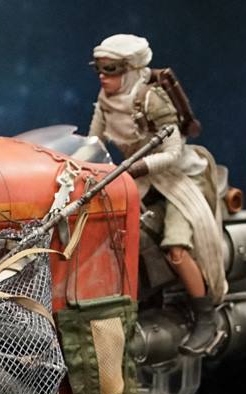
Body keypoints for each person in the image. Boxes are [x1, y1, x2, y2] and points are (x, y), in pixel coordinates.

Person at [87, 34, 227, 355]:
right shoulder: (107, 99)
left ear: (131, 69)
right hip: (138, 179)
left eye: (111, 69)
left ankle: (206, 319)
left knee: (175, 248)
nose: (102, 76)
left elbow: (174, 153)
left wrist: (134, 169)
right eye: (99, 68)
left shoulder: (151, 99)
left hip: (178, 182)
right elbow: (92, 143)